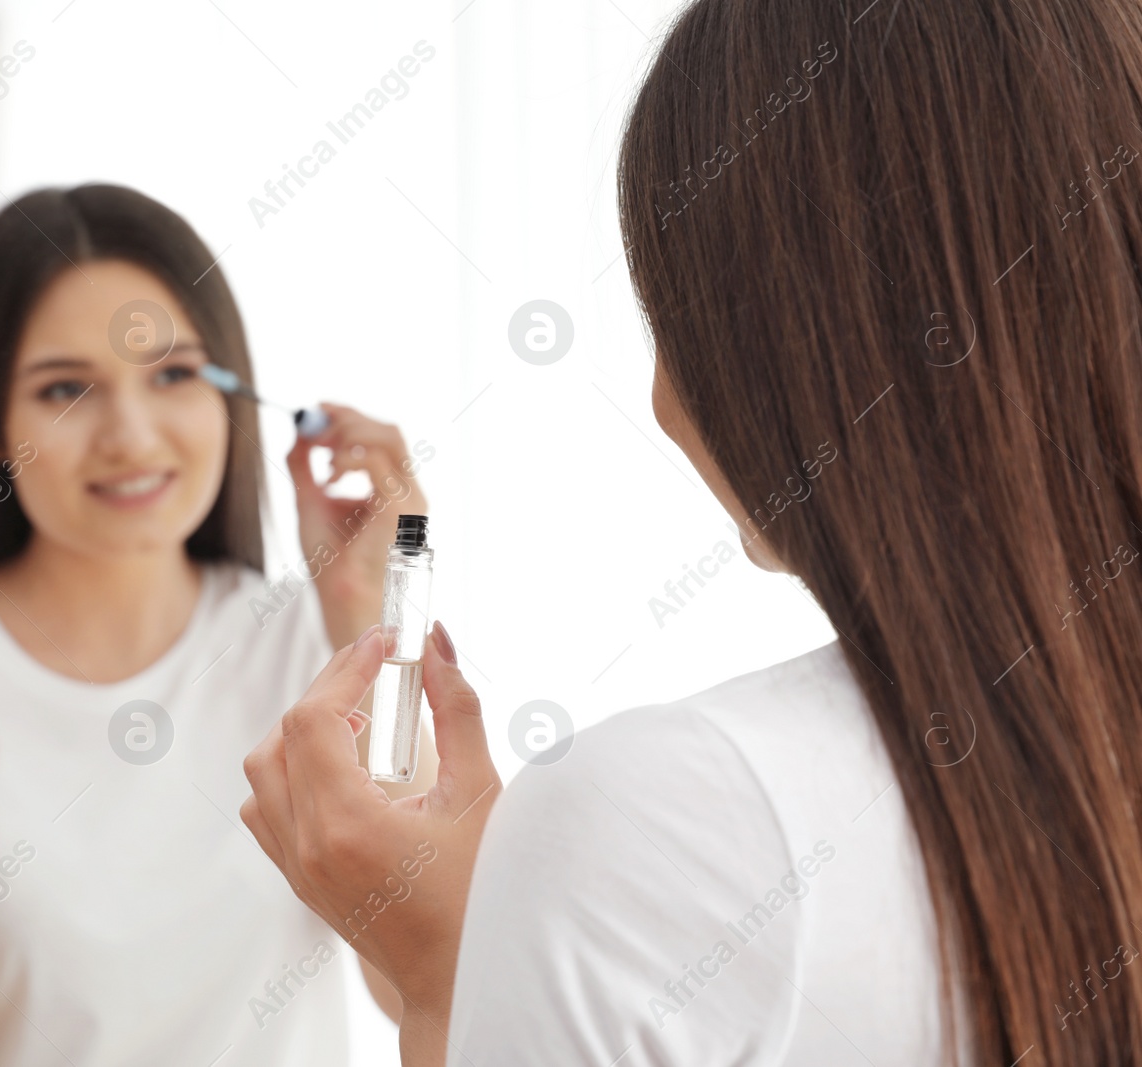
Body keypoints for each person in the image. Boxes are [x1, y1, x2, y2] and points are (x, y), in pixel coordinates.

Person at [240, 0, 1142, 1063]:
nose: (663, 401)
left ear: (813, 337)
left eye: (676, 316)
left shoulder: (678, 809)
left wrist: (450, 968)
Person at [0, 183, 433, 1067]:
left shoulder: (316, 652)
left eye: (175, 374)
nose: (131, 433)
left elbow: (425, 979)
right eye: (67, 388)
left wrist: (369, 628)